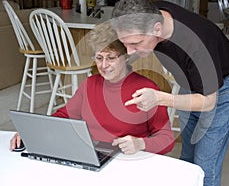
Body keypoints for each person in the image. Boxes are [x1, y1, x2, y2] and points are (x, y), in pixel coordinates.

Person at [111, 0, 229, 186]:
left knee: (205, 167)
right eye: (126, 44)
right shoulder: (150, 14)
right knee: (188, 158)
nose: (130, 51)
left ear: (157, 30)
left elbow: (208, 102)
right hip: (189, 83)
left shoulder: (197, 44)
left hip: (222, 91)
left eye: (135, 44)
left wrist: (159, 98)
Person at [10, 21, 175, 155]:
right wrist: (31, 131)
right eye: (99, 58)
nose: (103, 65)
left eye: (110, 58)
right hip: (91, 157)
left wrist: (140, 144)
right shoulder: (89, 85)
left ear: (126, 57)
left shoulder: (147, 89)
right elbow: (65, 115)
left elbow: (166, 139)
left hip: (127, 161)